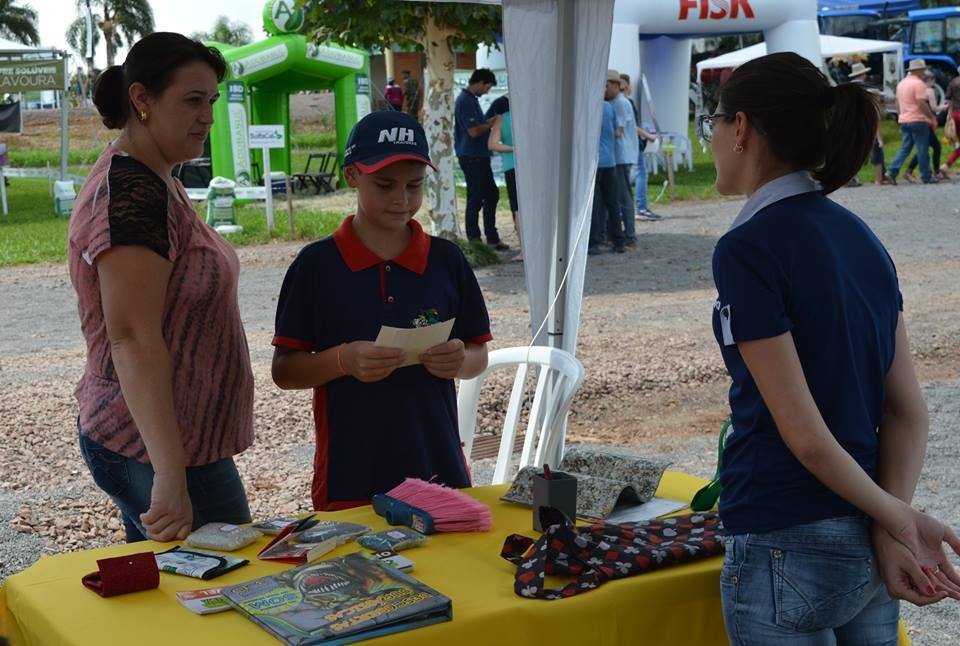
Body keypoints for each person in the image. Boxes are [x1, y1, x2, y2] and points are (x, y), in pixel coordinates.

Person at [702, 52, 960, 644]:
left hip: (782, 528)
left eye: (712, 122)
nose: (711, 138)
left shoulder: (747, 247)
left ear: (740, 127)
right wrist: (889, 518)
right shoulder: (860, 236)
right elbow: (907, 410)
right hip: (865, 522)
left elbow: (806, 437)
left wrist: (897, 520)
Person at [68, 32, 254, 543]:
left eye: (212, 101)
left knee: (177, 586)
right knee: (227, 582)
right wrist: (170, 475)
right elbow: (131, 338)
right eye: (192, 101)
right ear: (142, 100)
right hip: (153, 448)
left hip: (176, 447)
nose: (207, 117)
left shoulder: (156, 178)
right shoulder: (131, 195)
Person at [271, 110, 492, 511]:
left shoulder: (447, 261)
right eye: (385, 184)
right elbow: (284, 371)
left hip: (438, 464)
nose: (401, 200)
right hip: (351, 473)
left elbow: (478, 355)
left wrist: (459, 360)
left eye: (414, 185)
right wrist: (343, 360)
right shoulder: (316, 266)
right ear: (351, 176)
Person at [455, 68, 506, 249]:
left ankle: (491, 237)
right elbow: (474, 131)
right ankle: (475, 239)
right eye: (487, 87)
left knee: (491, 194)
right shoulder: (466, 101)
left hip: (479, 156)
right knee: (475, 198)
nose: (487, 91)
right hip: (472, 156)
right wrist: (493, 122)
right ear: (480, 82)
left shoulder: (471, 100)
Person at [588, 72, 625, 255]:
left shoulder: (588, 109)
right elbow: (618, 131)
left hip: (594, 163)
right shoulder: (609, 107)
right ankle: (619, 242)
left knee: (595, 205)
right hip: (610, 161)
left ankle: (594, 242)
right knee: (613, 203)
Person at [886, 58, 938, 184]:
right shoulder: (919, 84)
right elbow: (921, 103)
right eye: (923, 70)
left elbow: (897, 102)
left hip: (904, 119)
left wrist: (900, 116)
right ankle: (926, 175)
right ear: (918, 70)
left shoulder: (901, 84)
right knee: (922, 148)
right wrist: (931, 118)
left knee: (905, 148)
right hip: (917, 119)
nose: (924, 72)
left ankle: (891, 171)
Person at [619, 73, 660, 221]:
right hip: (632, 143)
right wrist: (649, 136)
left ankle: (624, 208)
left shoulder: (615, 103)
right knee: (641, 173)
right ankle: (641, 207)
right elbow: (633, 127)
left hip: (623, 145)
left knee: (627, 176)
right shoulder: (626, 103)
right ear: (627, 86)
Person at [488, 95, 523, 262]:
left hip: (512, 166)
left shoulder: (502, 119)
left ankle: (524, 250)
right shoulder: (531, 115)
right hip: (534, 167)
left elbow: (492, 144)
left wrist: (513, 148)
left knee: (518, 209)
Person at [608, 69, 639, 246]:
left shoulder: (619, 103)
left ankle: (630, 234)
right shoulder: (618, 102)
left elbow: (618, 131)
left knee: (624, 196)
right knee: (621, 195)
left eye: (606, 86)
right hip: (620, 155)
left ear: (615, 85)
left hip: (621, 156)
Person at [847, 62, 889, 186]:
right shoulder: (869, 90)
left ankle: (851, 179)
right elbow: (875, 113)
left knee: (854, 153)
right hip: (867, 124)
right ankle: (879, 178)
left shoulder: (848, 89)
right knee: (876, 151)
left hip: (852, 125)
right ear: (863, 74)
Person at [903, 70, 946, 182]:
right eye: (933, 79)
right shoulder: (929, 91)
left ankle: (910, 171)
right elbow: (934, 108)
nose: (934, 82)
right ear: (930, 80)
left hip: (917, 121)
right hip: (926, 122)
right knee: (934, 147)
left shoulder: (918, 89)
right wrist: (944, 107)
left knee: (923, 148)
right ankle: (935, 171)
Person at [940, 65, 960, 172]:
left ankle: (946, 165)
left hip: (955, 114)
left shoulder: (953, 82)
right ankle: (946, 165)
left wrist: (949, 113)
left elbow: (947, 99)